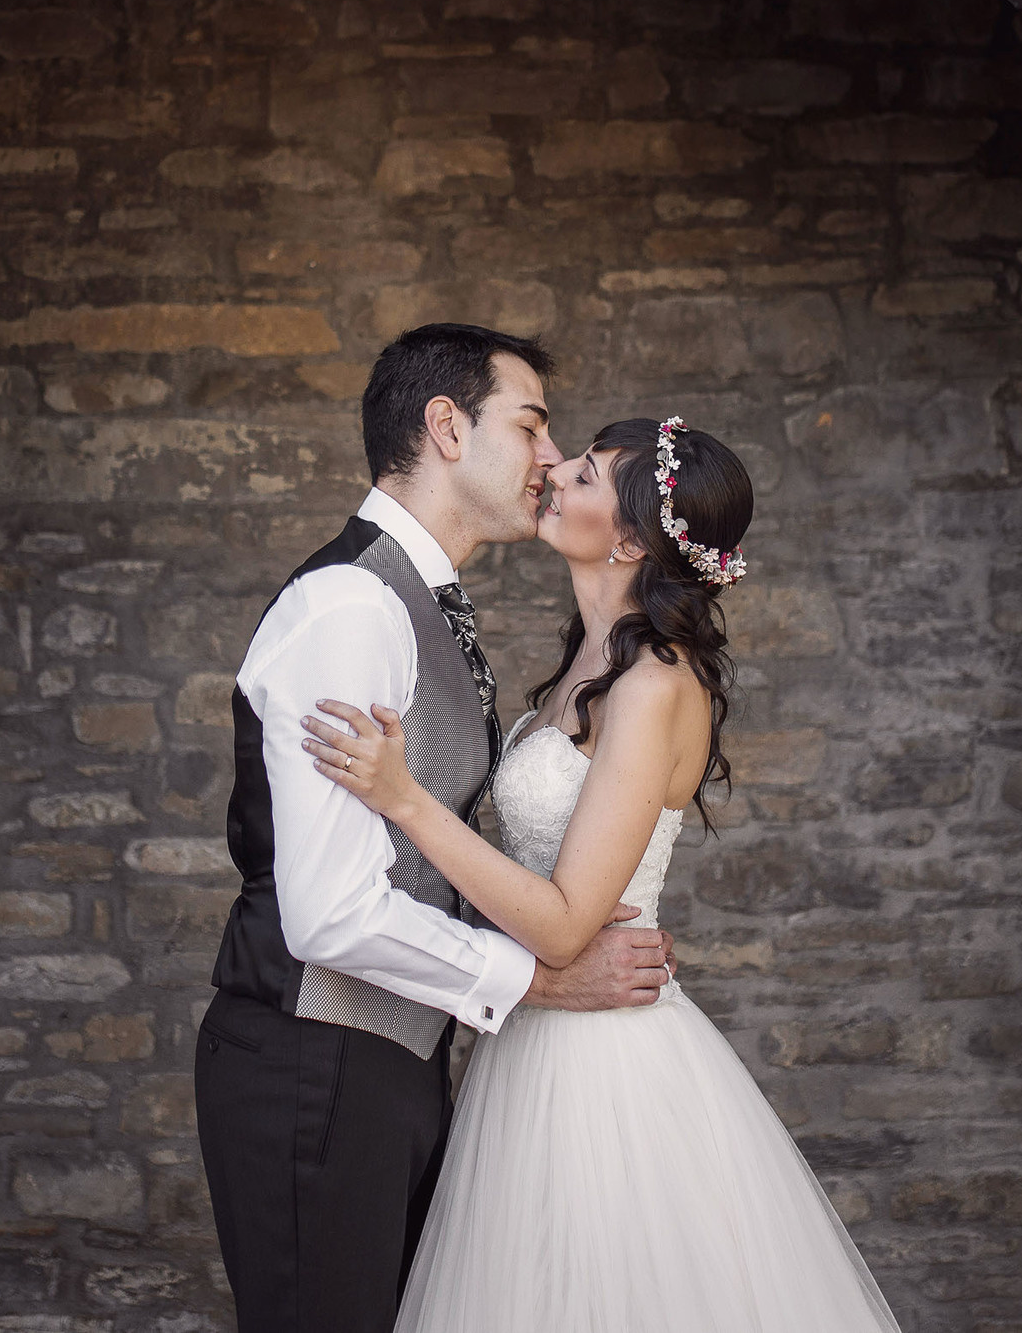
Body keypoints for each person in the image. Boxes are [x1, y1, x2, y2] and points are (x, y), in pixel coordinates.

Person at [303, 415, 903, 1333]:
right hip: (530, 1036)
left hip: (603, 1063)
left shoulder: (655, 683)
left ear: (627, 536)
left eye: (581, 475)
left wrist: (404, 799)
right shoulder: (587, 660)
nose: (551, 473)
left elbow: (564, 925)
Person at [195, 324, 676, 1333]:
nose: (549, 458)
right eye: (531, 424)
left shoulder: (418, 605)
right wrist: (540, 980)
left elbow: (419, 858)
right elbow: (329, 917)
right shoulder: (350, 608)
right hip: (311, 1066)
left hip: (390, 1067)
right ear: (447, 427)